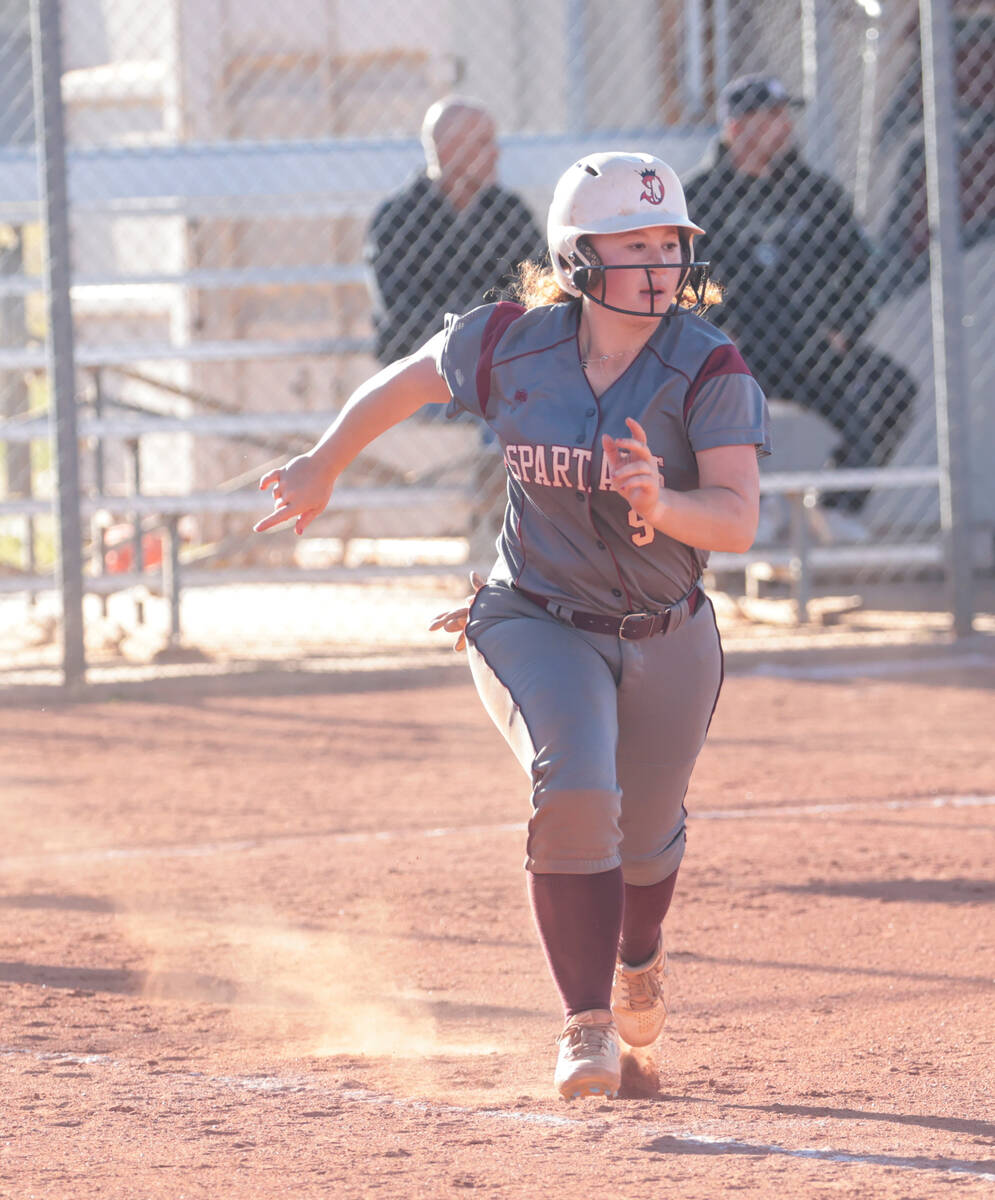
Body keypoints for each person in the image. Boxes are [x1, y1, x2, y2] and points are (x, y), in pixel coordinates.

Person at [255, 151, 769, 1101]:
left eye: (671, 245)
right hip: (532, 611)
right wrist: (325, 464)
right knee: (575, 783)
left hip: (667, 629)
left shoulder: (708, 365)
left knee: (648, 837)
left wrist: (664, 497)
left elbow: (735, 520)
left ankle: (638, 955)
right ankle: (585, 1029)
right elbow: (406, 382)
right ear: (577, 259)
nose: (660, 264)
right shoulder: (508, 342)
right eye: (635, 244)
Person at [682, 74, 916, 540]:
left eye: (785, 115)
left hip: (813, 346)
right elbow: (679, 278)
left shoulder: (816, 192)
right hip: (737, 350)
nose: (784, 126)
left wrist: (845, 327)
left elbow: (860, 270)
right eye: (771, 117)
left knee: (893, 389)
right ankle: (750, 503)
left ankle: (837, 508)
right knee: (707, 402)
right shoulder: (700, 196)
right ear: (736, 127)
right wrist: (716, 330)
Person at [365, 95, 547, 367]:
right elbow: (403, 315)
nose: (496, 153)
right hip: (424, 372)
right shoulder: (397, 219)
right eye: (483, 143)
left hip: (505, 366)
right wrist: (487, 327)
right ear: (448, 150)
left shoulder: (509, 212)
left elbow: (541, 288)